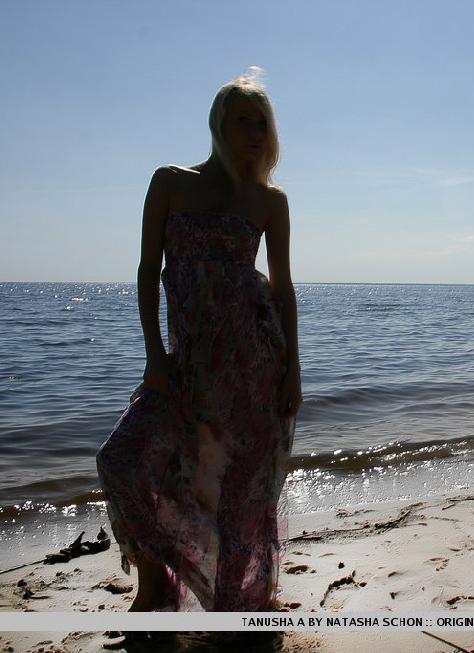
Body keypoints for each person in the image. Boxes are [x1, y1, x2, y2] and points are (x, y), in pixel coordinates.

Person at [96, 68, 302, 613]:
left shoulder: (269, 201)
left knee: (241, 493)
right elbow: (147, 272)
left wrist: (293, 371)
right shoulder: (170, 182)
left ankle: (235, 605)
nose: (255, 133)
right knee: (122, 460)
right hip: (185, 364)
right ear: (219, 124)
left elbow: (283, 292)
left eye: (263, 124)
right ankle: (157, 580)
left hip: (253, 365)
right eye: (244, 122)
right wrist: (154, 357)